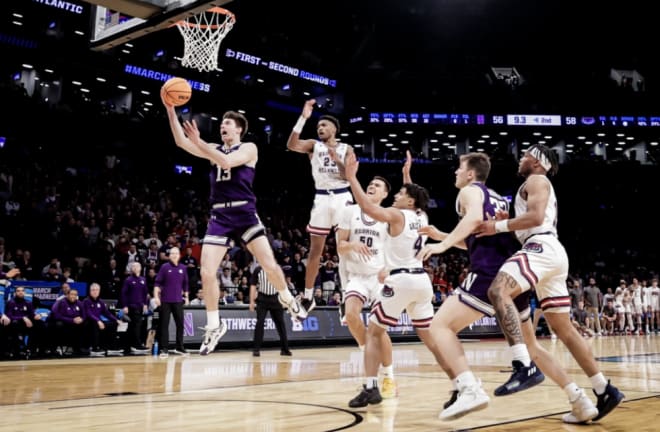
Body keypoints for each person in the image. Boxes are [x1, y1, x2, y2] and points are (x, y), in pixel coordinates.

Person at [476, 144, 624, 422]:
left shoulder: (536, 179)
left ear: (539, 161)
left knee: (498, 290)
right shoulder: (532, 184)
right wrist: (506, 222)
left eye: (526, 155)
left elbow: (535, 218)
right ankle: (604, 389)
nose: (520, 159)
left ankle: (523, 365)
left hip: (541, 247)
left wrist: (496, 226)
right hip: (549, 251)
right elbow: (526, 221)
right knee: (564, 330)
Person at [161, 90, 308, 356]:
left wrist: (202, 144)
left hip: (245, 212)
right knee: (207, 271)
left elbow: (227, 161)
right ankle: (215, 325)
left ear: (239, 129)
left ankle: (288, 298)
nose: (222, 127)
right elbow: (181, 142)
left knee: (268, 263)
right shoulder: (213, 148)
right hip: (219, 215)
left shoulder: (249, 148)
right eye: (221, 125)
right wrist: (171, 109)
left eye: (227, 124)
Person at [415, 152, 549, 419]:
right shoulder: (496, 196)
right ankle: (578, 395)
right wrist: (443, 235)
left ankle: (468, 388)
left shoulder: (468, 192)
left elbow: (474, 218)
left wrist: (441, 245)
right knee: (531, 347)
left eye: (458, 168)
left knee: (439, 327)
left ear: (470, 173)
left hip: (488, 272)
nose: (455, 173)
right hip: (512, 274)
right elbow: (475, 239)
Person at [342, 152, 437, 408]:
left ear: (407, 199)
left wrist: (351, 177)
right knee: (430, 337)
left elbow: (369, 207)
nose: (396, 195)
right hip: (419, 281)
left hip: (397, 279)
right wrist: (407, 175)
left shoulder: (395, 214)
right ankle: (461, 379)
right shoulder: (422, 216)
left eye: (398, 193)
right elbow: (412, 198)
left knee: (374, 332)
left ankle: (375, 384)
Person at [335, 151, 413, 400]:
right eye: (370, 183)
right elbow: (339, 244)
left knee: (378, 330)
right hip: (356, 275)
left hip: (379, 277)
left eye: (377, 185)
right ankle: (367, 351)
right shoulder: (351, 211)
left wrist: (388, 268)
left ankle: (388, 376)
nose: (372, 186)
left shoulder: (388, 216)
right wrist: (351, 246)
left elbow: (397, 247)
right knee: (350, 315)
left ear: (385, 195)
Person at [286, 99, 355, 311]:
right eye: (318, 126)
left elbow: (350, 176)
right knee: (315, 250)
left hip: (343, 196)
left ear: (334, 129)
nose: (320, 128)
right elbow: (291, 145)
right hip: (322, 197)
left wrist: (338, 161)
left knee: (344, 250)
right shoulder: (313, 146)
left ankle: (347, 296)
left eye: (324, 125)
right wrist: (303, 118)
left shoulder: (347, 148)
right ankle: (308, 297)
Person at [153, 247, 189, 357]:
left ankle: (179, 347)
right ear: (169, 255)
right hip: (165, 301)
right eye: (172, 253)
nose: (174, 255)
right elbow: (157, 283)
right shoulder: (164, 267)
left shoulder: (183, 268)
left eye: (176, 253)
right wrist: (156, 297)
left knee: (180, 325)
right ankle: (164, 349)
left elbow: (186, 284)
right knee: (164, 325)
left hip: (178, 301)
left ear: (179, 255)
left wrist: (186, 297)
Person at [249, 264, 291, 357]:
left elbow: (282, 285)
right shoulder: (258, 270)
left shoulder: (277, 269)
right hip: (262, 299)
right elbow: (253, 286)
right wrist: (251, 301)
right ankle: (256, 349)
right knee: (260, 323)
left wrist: (286, 300)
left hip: (276, 299)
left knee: (281, 324)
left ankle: (285, 349)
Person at [83, 282, 122, 356]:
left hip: (98, 322)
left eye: (97, 290)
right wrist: (98, 321)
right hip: (88, 322)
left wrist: (116, 319)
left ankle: (111, 347)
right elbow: (89, 314)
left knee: (113, 324)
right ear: (90, 291)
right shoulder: (86, 301)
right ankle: (95, 348)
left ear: (99, 291)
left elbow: (107, 313)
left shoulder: (100, 302)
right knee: (94, 323)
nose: (95, 291)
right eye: (93, 290)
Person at [120, 262, 149, 355]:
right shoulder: (128, 280)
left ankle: (128, 345)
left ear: (140, 268)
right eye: (133, 267)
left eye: (137, 266)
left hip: (140, 306)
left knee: (135, 326)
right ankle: (137, 345)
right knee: (135, 326)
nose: (135, 268)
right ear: (132, 269)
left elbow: (145, 293)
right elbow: (124, 294)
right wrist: (125, 306)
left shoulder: (143, 280)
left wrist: (145, 304)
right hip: (132, 306)